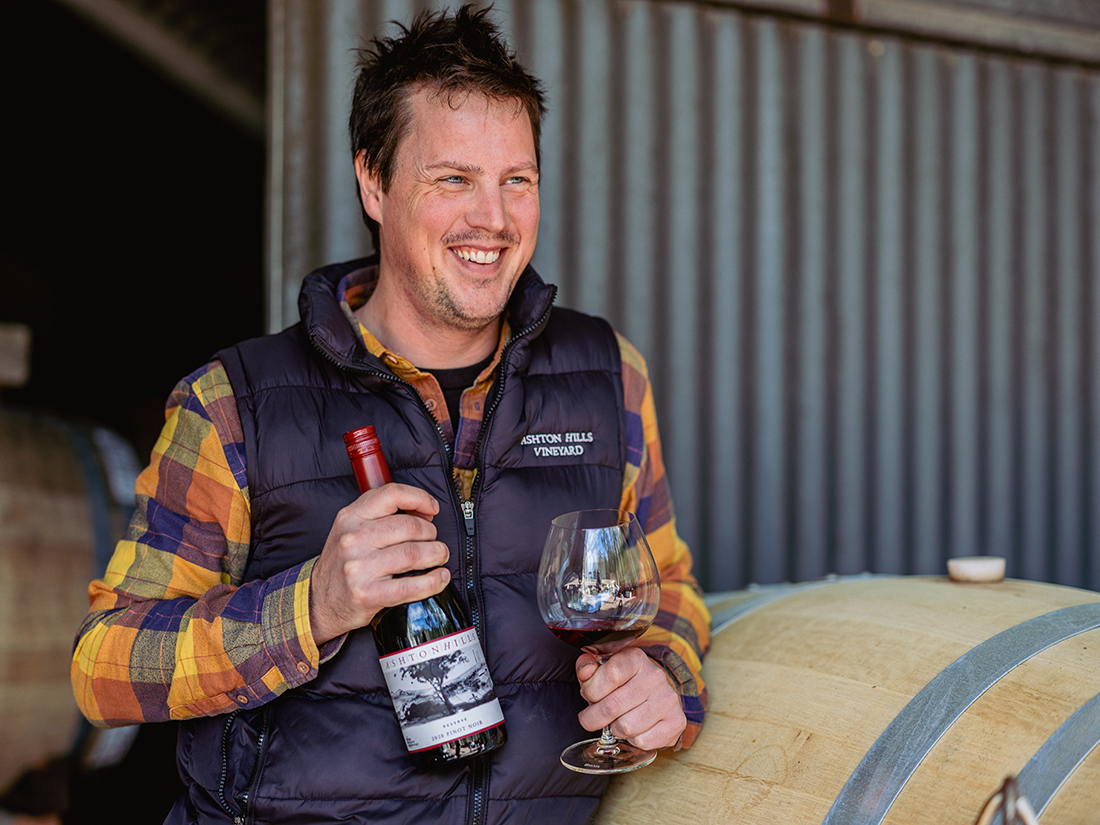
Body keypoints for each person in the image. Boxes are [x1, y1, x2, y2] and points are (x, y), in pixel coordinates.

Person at [71, 6, 710, 823]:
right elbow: (104, 668)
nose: (494, 219)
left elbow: (673, 591)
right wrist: (313, 605)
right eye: (454, 179)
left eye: (517, 180)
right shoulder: (234, 405)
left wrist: (667, 674)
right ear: (374, 181)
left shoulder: (607, 375)